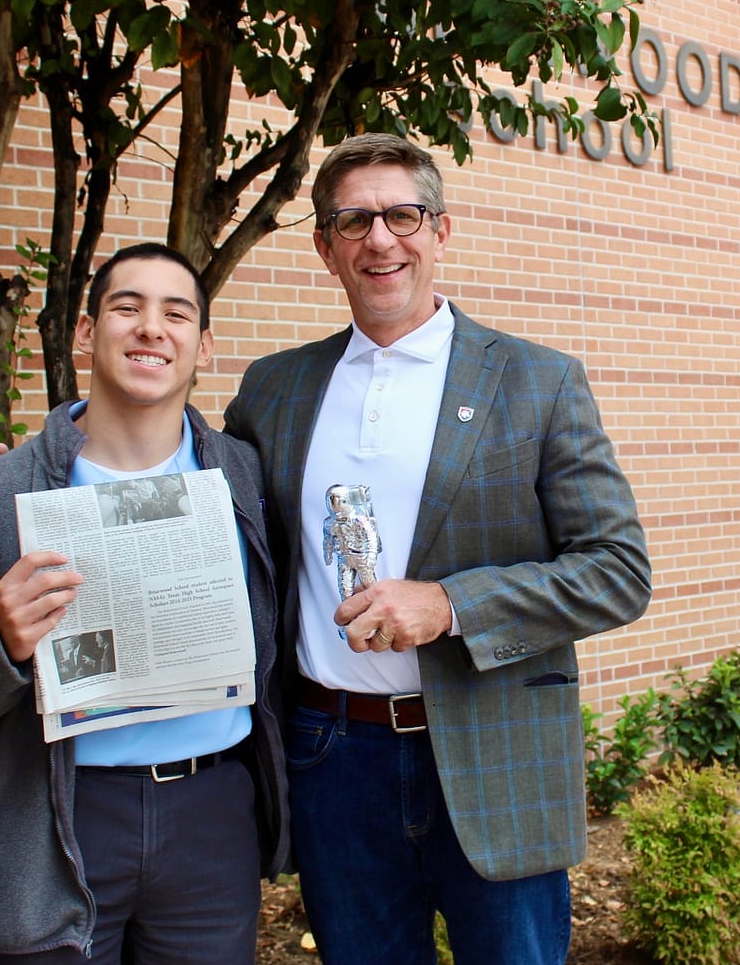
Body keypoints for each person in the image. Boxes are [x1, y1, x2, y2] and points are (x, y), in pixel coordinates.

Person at [223, 133, 651, 965]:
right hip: (333, 758)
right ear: (324, 246)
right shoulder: (274, 390)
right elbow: (206, 506)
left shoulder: (536, 380)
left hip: (496, 753)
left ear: (441, 231)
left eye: (402, 215)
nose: (379, 239)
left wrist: (451, 605)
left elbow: (617, 572)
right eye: (353, 220)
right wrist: (47, 478)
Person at [0, 243, 288, 963]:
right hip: (60, 820)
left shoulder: (247, 482)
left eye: (175, 313)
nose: (150, 328)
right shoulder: (2, 494)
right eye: (126, 307)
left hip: (212, 819)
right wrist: (0, 635)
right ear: (85, 332)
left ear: (202, 344)